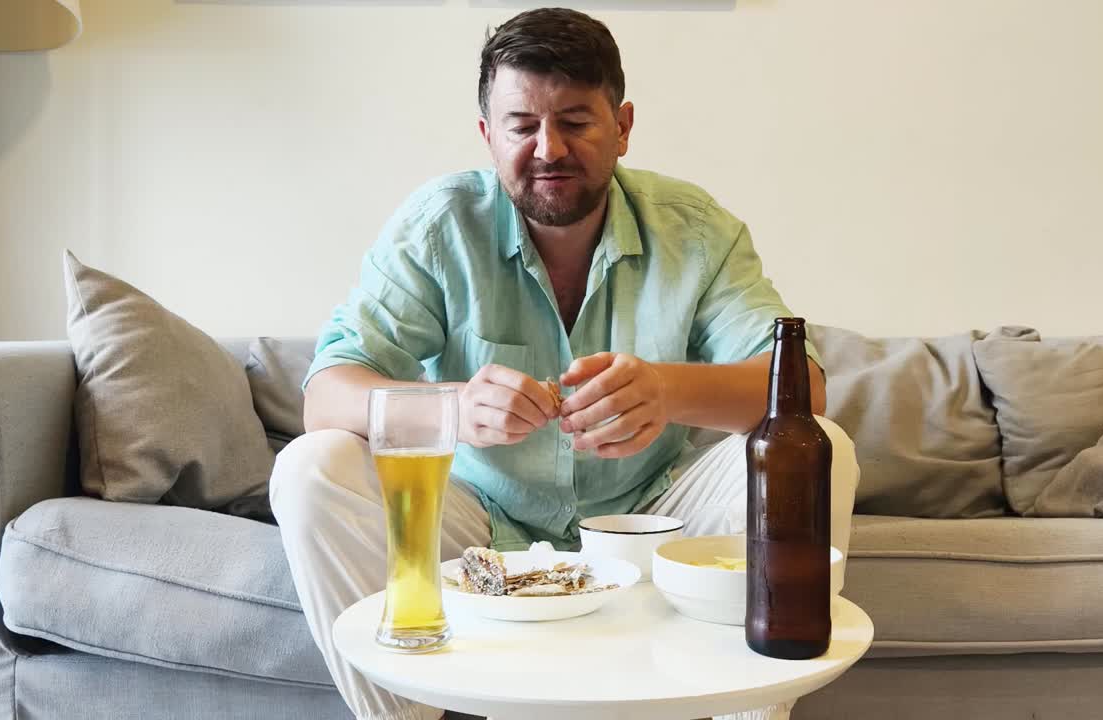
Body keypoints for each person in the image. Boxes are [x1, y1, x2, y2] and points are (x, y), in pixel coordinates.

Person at [269, 8, 859, 720]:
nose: (548, 148)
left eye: (576, 121)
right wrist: (452, 407)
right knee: (311, 467)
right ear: (488, 135)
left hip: (650, 522)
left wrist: (666, 389)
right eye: (521, 126)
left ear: (623, 126)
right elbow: (327, 395)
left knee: (821, 447)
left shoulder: (697, 228)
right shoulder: (437, 224)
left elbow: (806, 392)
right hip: (475, 522)